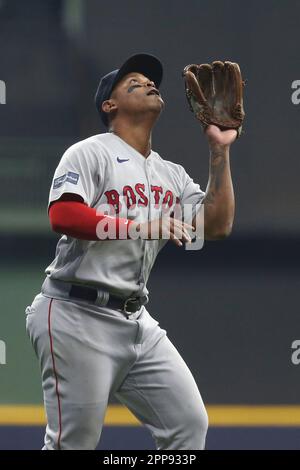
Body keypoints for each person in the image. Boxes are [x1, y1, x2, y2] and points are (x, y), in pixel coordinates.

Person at [25, 53, 237, 450]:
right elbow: (63, 215)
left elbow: (217, 225)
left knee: (189, 426)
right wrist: (139, 227)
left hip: (135, 318)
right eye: (133, 82)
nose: (148, 83)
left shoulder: (169, 173)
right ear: (110, 105)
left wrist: (219, 150)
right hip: (75, 313)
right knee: (75, 444)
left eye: (151, 81)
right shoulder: (90, 151)